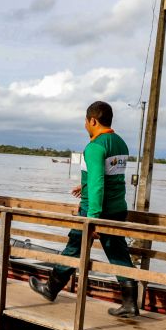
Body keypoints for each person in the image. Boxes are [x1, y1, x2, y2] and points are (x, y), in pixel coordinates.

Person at [29, 101, 139, 318]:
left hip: (96, 211)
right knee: (118, 253)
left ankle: (50, 288)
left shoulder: (95, 146)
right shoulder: (120, 143)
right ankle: (130, 303)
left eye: (86, 121)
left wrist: (92, 219)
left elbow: (98, 183)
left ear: (93, 121)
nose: (85, 125)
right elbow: (110, 177)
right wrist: (85, 185)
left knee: (73, 247)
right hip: (118, 208)